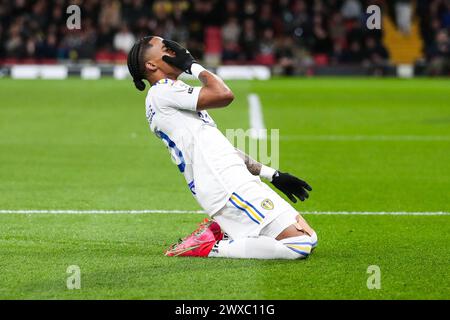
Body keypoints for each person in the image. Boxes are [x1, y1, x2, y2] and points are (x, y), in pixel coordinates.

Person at [127, 36, 318, 259]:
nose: (177, 50)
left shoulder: (172, 93)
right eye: (167, 48)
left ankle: (221, 232)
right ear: (151, 65)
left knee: (310, 236)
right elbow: (224, 94)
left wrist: (272, 174)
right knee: (299, 244)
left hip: (232, 178)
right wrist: (192, 65)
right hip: (225, 185)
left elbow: (223, 148)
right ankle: (209, 247)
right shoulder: (161, 93)